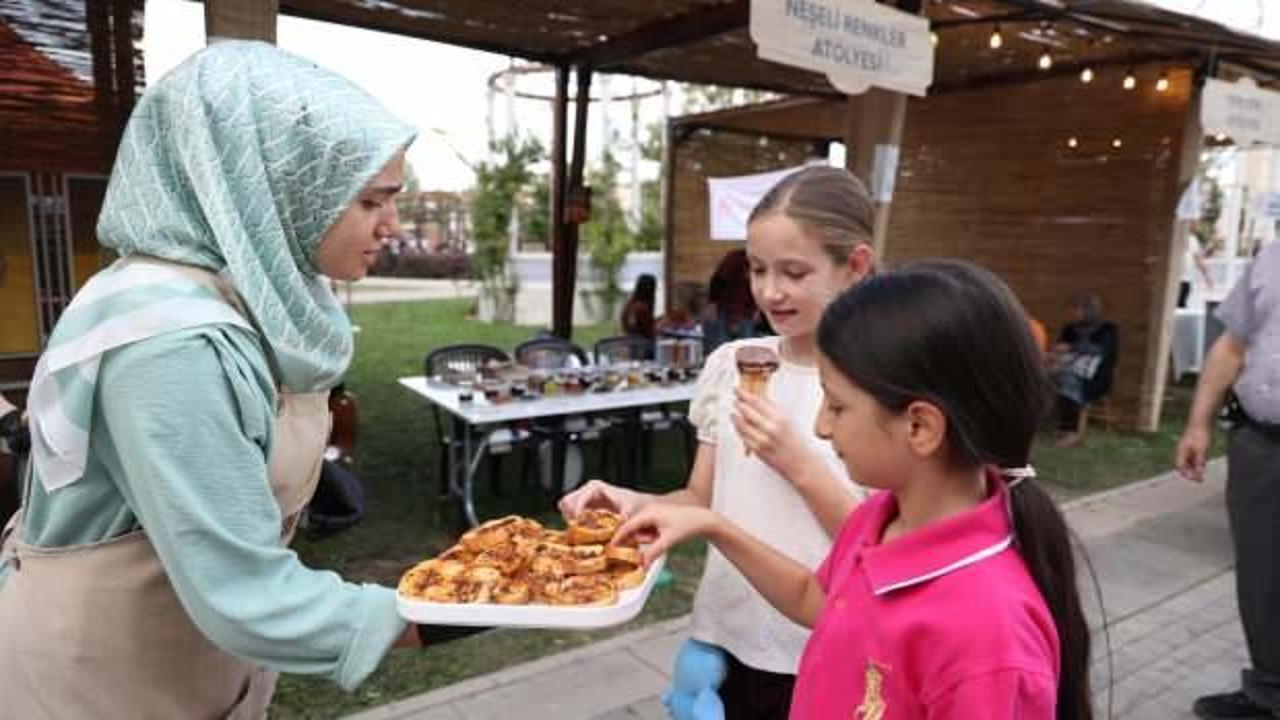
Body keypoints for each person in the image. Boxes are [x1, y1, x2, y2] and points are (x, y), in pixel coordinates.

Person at [0, 42, 436, 717]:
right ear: (278, 188)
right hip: (102, 683)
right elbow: (245, 595)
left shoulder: (239, 296)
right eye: (372, 200)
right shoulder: (169, 341)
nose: (394, 226)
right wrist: (465, 607)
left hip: (190, 661)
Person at [616, 259, 1093, 719]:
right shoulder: (883, 517)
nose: (821, 428)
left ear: (921, 427)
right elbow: (815, 598)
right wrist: (712, 524)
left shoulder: (987, 637)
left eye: (838, 407)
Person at [562, 166, 875, 718]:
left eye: (795, 272)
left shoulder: (879, 387)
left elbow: (877, 554)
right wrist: (636, 503)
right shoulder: (732, 365)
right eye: (757, 269)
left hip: (824, 651)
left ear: (854, 267)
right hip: (725, 638)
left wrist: (798, 463)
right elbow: (701, 498)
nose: (770, 291)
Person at [1176, 240, 1280, 720]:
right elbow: (1232, 344)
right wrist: (1199, 423)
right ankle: (1268, 691)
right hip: (1260, 444)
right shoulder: (1274, 256)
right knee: (1261, 575)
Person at [1051, 292, 1119, 448]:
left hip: (1095, 379)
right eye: (1071, 309)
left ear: (1089, 311)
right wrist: (1056, 352)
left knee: (1068, 380)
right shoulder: (1069, 329)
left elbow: (1100, 350)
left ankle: (1071, 433)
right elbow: (1060, 350)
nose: (1072, 313)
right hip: (1066, 369)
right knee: (1045, 377)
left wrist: (1071, 347)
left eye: (1076, 309)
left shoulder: (1108, 329)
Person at [702, 248, 758, 352]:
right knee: (719, 345)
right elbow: (718, 280)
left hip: (746, 311)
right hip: (723, 308)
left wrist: (757, 309)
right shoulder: (735, 257)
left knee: (745, 345)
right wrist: (712, 304)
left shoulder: (767, 262)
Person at [1179, 238, 1215, 309]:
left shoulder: (1192, 240)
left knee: (1181, 307)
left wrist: (1207, 276)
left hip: (1185, 281)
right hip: (1171, 281)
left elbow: (1198, 259)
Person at [621, 273, 658, 339]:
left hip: (636, 342)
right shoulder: (639, 307)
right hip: (641, 344)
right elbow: (635, 326)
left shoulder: (633, 303)